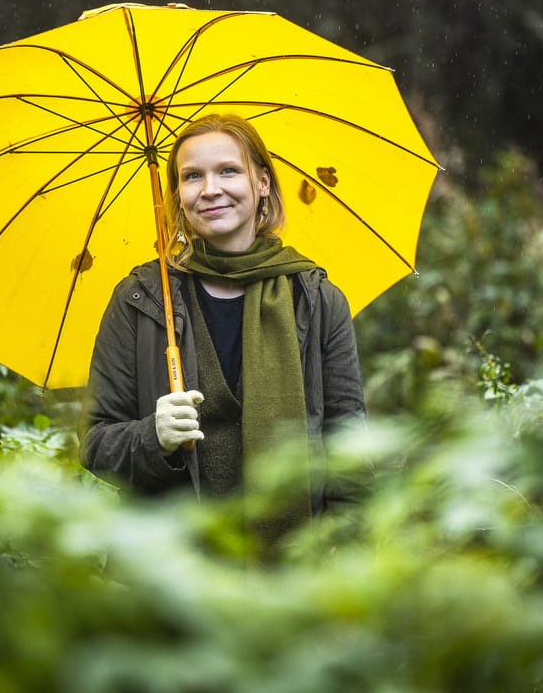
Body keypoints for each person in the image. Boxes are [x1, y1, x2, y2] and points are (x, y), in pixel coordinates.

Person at [81, 113, 367, 551]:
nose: (210, 189)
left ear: (263, 183)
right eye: (192, 176)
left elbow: (349, 451)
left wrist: (347, 564)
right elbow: (97, 445)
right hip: (170, 573)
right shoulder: (140, 299)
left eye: (228, 171)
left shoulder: (317, 300)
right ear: (177, 195)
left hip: (294, 574)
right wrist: (152, 437)